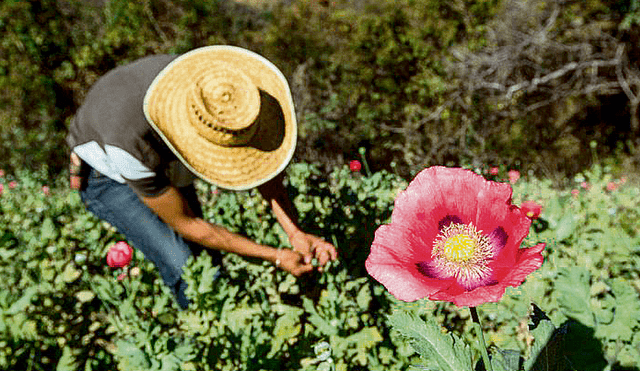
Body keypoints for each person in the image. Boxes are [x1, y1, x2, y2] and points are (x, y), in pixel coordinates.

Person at [67, 45, 338, 309]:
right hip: (108, 177)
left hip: (149, 147)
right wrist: (276, 256)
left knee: (210, 263)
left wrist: (295, 232)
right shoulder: (132, 144)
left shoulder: (218, 90)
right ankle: (203, 338)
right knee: (187, 268)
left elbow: (262, 170)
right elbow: (187, 223)